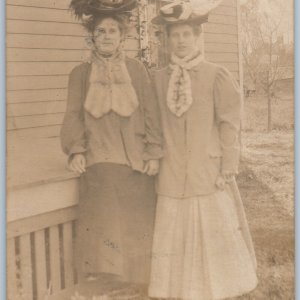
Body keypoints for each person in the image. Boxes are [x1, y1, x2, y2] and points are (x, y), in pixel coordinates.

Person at [148, 1, 258, 299]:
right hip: (172, 175)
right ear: (167, 40)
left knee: (212, 231)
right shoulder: (157, 80)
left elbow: (229, 125)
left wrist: (228, 166)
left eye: (186, 34)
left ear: (197, 37)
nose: (181, 41)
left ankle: (217, 288)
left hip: (207, 173)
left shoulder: (216, 75)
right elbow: (153, 124)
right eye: (175, 36)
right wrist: (154, 156)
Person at [60, 0, 163, 287]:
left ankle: (140, 284)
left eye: (112, 31)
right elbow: (72, 116)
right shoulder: (80, 74)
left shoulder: (138, 70)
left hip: (136, 160)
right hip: (100, 159)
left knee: (136, 223)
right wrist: (76, 149)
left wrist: (154, 152)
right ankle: (106, 286)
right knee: (104, 226)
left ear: (123, 36)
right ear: (92, 36)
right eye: (101, 31)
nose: (106, 36)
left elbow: (152, 113)